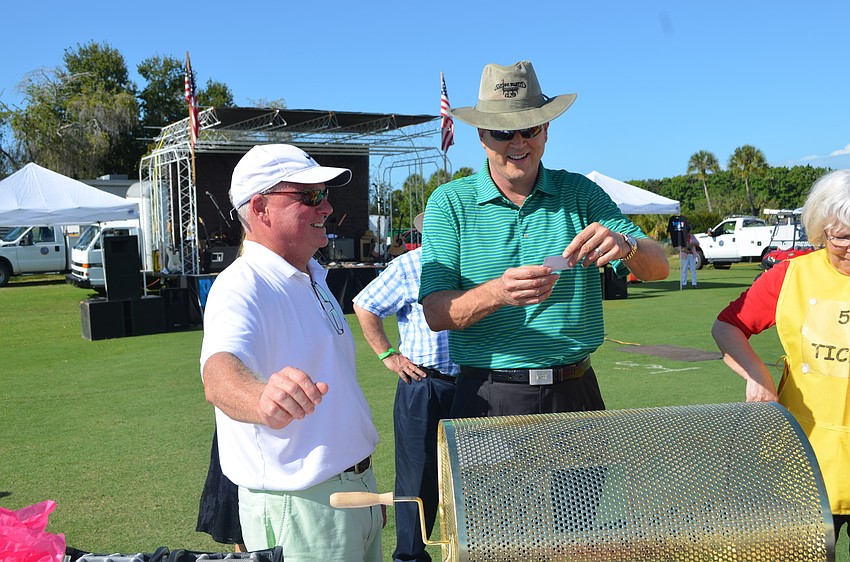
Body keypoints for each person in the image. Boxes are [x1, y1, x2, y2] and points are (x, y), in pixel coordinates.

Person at [419, 60, 669, 419]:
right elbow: (435, 312)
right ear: (482, 136)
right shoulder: (450, 202)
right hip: (488, 396)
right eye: (503, 132)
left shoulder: (582, 193)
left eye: (529, 128)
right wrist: (498, 293)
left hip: (576, 392)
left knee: (581, 481)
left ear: (546, 130)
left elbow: (657, 268)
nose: (518, 142)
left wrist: (626, 245)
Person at [199, 144, 382, 561]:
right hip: (301, 508)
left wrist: (362, 491)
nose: (328, 207)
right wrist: (260, 397)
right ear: (260, 208)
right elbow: (218, 374)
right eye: (310, 196)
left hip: (349, 495)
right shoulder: (241, 285)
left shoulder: (309, 276)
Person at [712, 169, 850, 549]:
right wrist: (756, 374)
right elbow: (728, 327)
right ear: (822, 230)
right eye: (843, 237)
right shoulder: (790, 276)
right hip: (805, 460)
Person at [352, 212, 458, 562]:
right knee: (416, 478)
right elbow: (365, 305)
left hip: (477, 383)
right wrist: (388, 354)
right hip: (422, 383)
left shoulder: (478, 260)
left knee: (476, 476)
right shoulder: (409, 265)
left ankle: (471, 550)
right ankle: (411, 557)